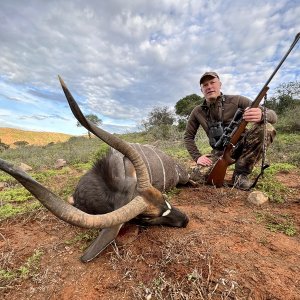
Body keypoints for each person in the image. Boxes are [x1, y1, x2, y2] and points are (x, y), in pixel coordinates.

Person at [184, 71, 277, 190]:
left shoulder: (237, 100)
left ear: (220, 84)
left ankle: (240, 175)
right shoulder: (197, 111)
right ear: (201, 90)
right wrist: (197, 157)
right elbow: (188, 137)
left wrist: (262, 115)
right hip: (220, 152)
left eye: (212, 82)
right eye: (205, 85)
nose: (209, 87)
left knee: (266, 128)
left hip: (244, 145)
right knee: (197, 176)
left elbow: (273, 115)